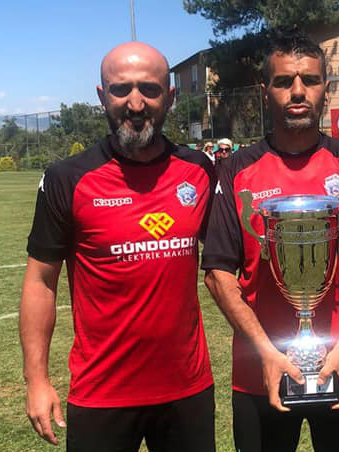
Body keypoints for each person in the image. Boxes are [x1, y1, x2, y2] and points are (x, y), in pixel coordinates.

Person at [201, 30, 339, 452]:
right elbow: (218, 272)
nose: (297, 91)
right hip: (261, 374)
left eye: (309, 80)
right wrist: (265, 352)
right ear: (265, 90)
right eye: (283, 81)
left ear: (325, 87)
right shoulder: (237, 170)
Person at [20, 42, 216, 452]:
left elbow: (225, 266)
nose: (136, 102)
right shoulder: (67, 178)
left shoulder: (199, 171)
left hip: (187, 389)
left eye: (150, 89)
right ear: (101, 95)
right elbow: (40, 282)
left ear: (171, 97)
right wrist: (36, 380)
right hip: (101, 394)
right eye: (121, 89)